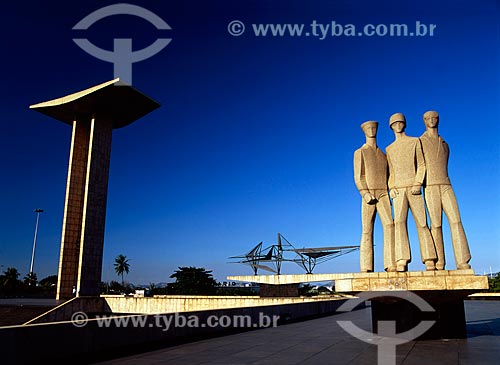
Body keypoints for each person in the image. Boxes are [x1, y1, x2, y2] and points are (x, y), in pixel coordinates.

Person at [419, 110, 471, 270]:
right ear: (424, 121)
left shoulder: (444, 143)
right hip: (430, 186)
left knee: (456, 220)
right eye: (428, 118)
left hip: (446, 184)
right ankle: (439, 262)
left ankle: (463, 260)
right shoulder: (419, 142)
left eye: (434, 118)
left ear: (438, 120)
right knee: (436, 224)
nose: (431, 120)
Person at [386, 113, 437, 271]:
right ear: (391, 127)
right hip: (399, 191)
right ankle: (401, 259)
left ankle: (429, 259)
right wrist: (392, 187)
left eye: (401, 122)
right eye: (395, 123)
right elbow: (391, 173)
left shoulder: (415, 141)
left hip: (414, 189)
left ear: (405, 124)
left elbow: (422, 165)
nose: (398, 125)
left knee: (422, 223)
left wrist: (418, 182)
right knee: (399, 224)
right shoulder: (389, 149)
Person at [354, 121, 395, 272]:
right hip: (369, 193)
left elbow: (389, 175)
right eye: (368, 128)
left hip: (383, 192)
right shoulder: (360, 152)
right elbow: (359, 176)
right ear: (364, 131)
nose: (372, 130)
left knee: (390, 226)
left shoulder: (383, 154)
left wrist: (391, 189)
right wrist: (364, 192)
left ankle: (391, 263)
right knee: (367, 229)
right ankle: (366, 266)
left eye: (374, 128)